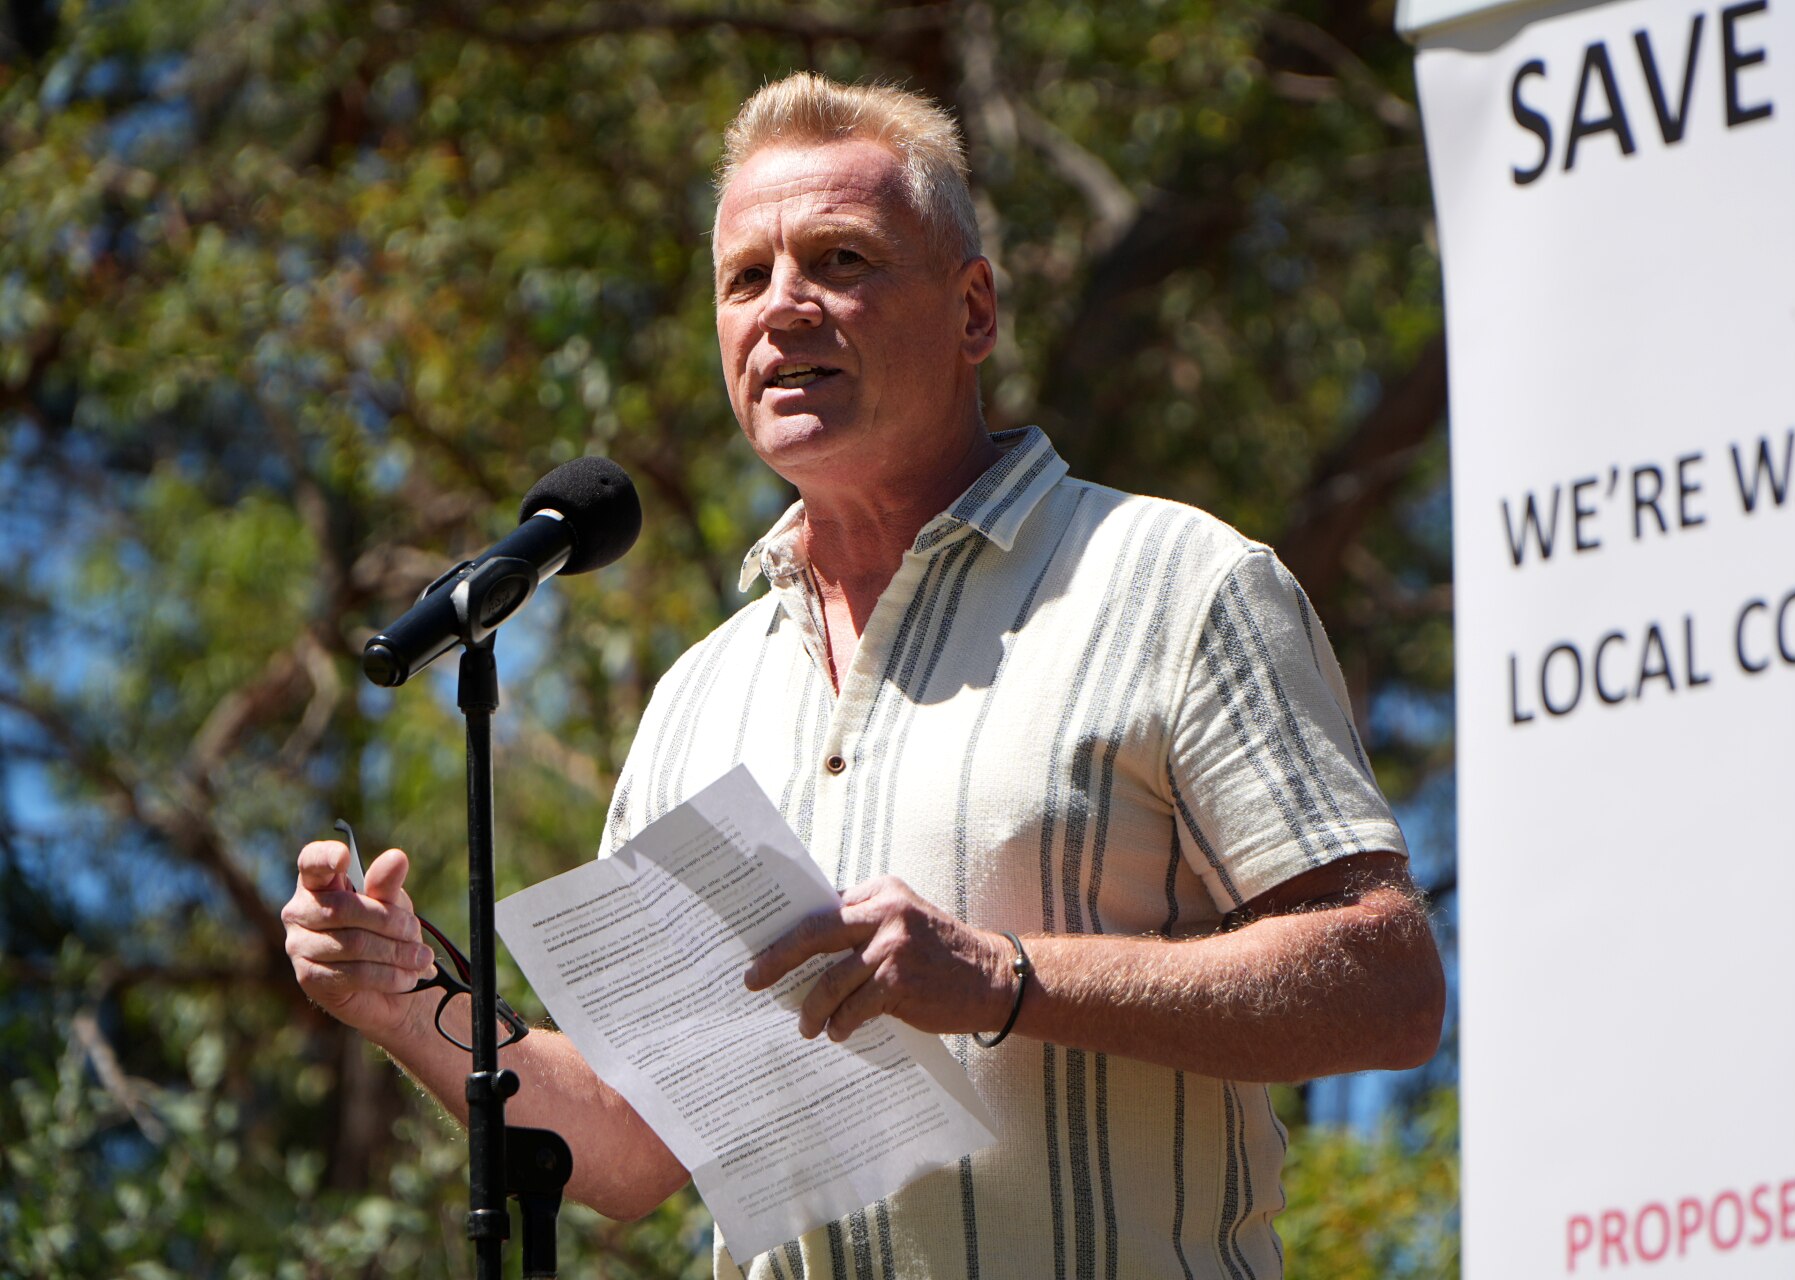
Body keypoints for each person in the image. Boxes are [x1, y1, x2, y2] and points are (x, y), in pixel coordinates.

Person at [282, 72, 1444, 1279]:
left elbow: (1385, 982)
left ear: (974, 310)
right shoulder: (697, 698)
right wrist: (406, 996)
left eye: (841, 259)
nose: (783, 308)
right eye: (745, 278)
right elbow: (631, 1148)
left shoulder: (1173, 582)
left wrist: (1005, 975)